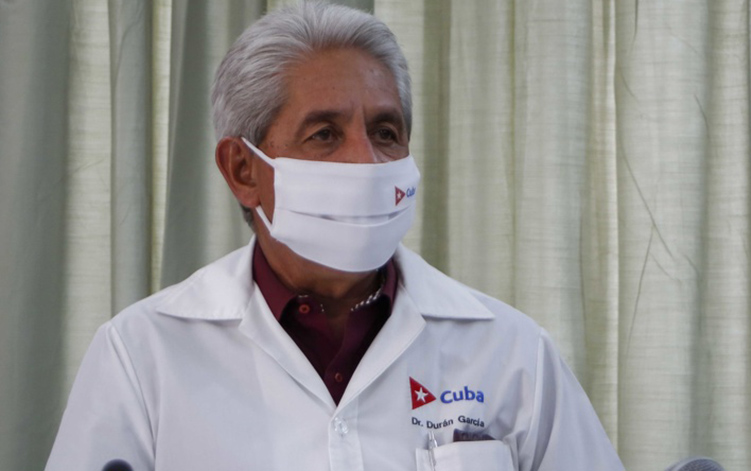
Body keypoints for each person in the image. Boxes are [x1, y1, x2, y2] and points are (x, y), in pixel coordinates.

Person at [46, 3, 624, 470]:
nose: (368, 161)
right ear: (243, 171)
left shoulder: (513, 353)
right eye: (324, 134)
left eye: (385, 131)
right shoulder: (142, 354)